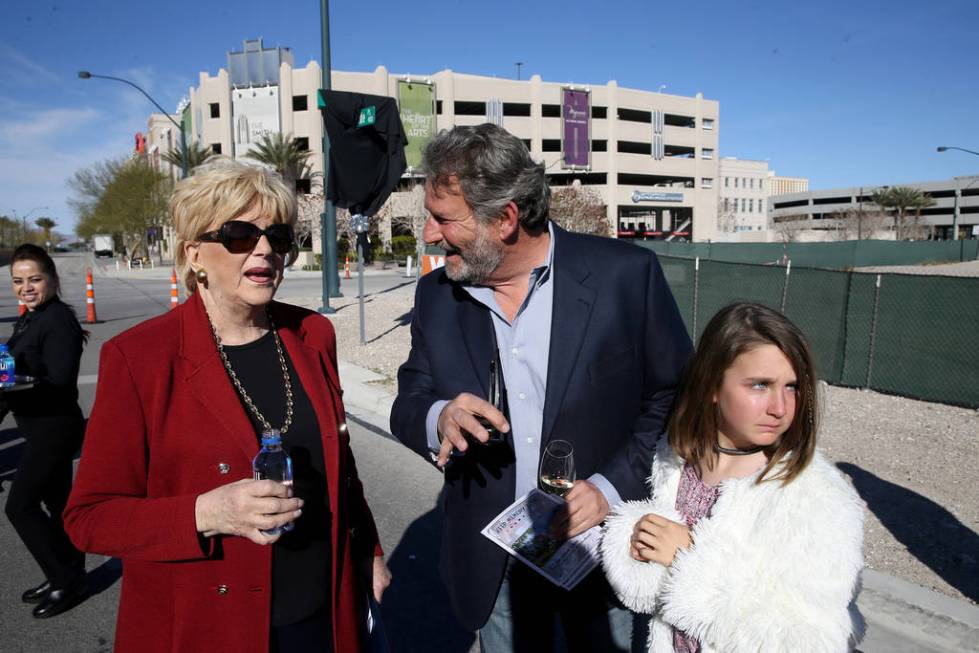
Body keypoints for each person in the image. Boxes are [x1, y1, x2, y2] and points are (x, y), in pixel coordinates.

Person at [64, 159, 390, 652]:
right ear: (195, 254)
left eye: (278, 237)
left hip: (323, 609)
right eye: (239, 235)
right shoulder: (138, 358)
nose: (264, 249)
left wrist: (369, 550)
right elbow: (89, 518)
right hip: (209, 622)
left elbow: (341, 465)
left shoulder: (312, 335)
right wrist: (206, 513)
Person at [390, 123, 691, 651]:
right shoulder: (437, 296)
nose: (430, 235)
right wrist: (438, 417)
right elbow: (408, 398)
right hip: (494, 563)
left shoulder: (626, 276)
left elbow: (672, 398)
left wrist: (609, 488)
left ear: (505, 219)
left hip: (599, 556)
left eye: (443, 219)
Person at [601, 303, 865, 653]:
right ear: (711, 384)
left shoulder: (817, 497)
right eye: (760, 385)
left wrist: (689, 558)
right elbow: (650, 597)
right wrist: (636, 537)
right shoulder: (674, 461)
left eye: (792, 387)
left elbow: (811, 640)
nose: (780, 407)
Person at [4, 243, 88, 619]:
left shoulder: (58, 321)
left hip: (55, 427)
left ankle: (63, 579)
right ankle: (67, 572)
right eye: (18, 281)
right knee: (58, 507)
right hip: (36, 426)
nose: (26, 287)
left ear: (52, 280)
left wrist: (20, 380)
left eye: (34, 279)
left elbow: (59, 382)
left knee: (20, 507)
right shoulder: (28, 319)